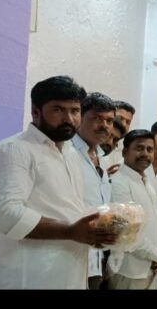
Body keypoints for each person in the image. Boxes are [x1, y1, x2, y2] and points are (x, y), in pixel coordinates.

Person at [0, 75, 117, 289]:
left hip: (69, 272)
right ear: (36, 111)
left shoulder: (70, 153)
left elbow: (69, 209)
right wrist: (70, 231)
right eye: (58, 110)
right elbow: (3, 214)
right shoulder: (14, 150)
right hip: (29, 277)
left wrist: (96, 229)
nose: (69, 119)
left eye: (74, 111)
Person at [107, 130, 157, 289]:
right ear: (124, 151)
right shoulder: (118, 182)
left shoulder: (146, 182)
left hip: (151, 267)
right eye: (139, 148)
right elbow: (126, 232)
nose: (145, 154)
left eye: (150, 150)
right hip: (129, 270)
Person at [71, 92, 116, 289]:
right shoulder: (66, 152)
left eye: (109, 120)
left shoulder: (102, 158)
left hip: (95, 258)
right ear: (80, 117)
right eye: (96, 118)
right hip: (70, 254)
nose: (104, 125)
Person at [104, 100, 135, 175]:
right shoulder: (97, 141)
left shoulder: (129, 149)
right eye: (120, 118)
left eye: (128, 122)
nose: (124, 124)